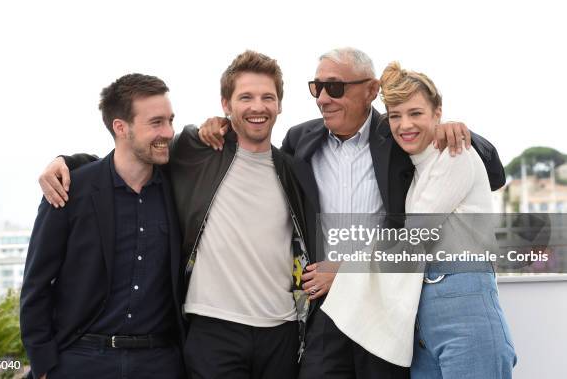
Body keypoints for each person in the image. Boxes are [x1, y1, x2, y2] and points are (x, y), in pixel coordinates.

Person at [198, 47, 506, 379]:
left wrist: (464, 133)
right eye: (317, 87)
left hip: (385, 308)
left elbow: (488, 173)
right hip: (328, 308)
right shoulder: (300, 140)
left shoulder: (399, 137)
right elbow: (258, 162)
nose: (323, 98)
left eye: (335, 87)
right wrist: (224, 125)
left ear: (371, 90)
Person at [37, 51, 318, 379]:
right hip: (212, 330)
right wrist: (68, 161)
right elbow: (128, 157)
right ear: (226, 105)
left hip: (281, 330)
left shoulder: (295, 171)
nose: (258, 106)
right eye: (246, 97)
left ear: (280, 105)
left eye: (267, 97)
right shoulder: (194, 153)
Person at [332, 61, 514, 378]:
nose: (405, 125)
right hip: (423, 313)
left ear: (437, 112)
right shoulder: (418, 172)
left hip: (464, 301)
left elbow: (413, 235)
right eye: (395, 116)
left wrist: (341, 268)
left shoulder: (455, 154)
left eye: (415, 113)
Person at [20, 74, 186, 379]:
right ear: (121, 127)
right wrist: (43, 365)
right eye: (156, 122)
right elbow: (37, 283)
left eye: (170, 120)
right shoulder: (70, 190)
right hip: (81, 359)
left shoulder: (179, 187)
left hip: (159, 361)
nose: (169, 132)